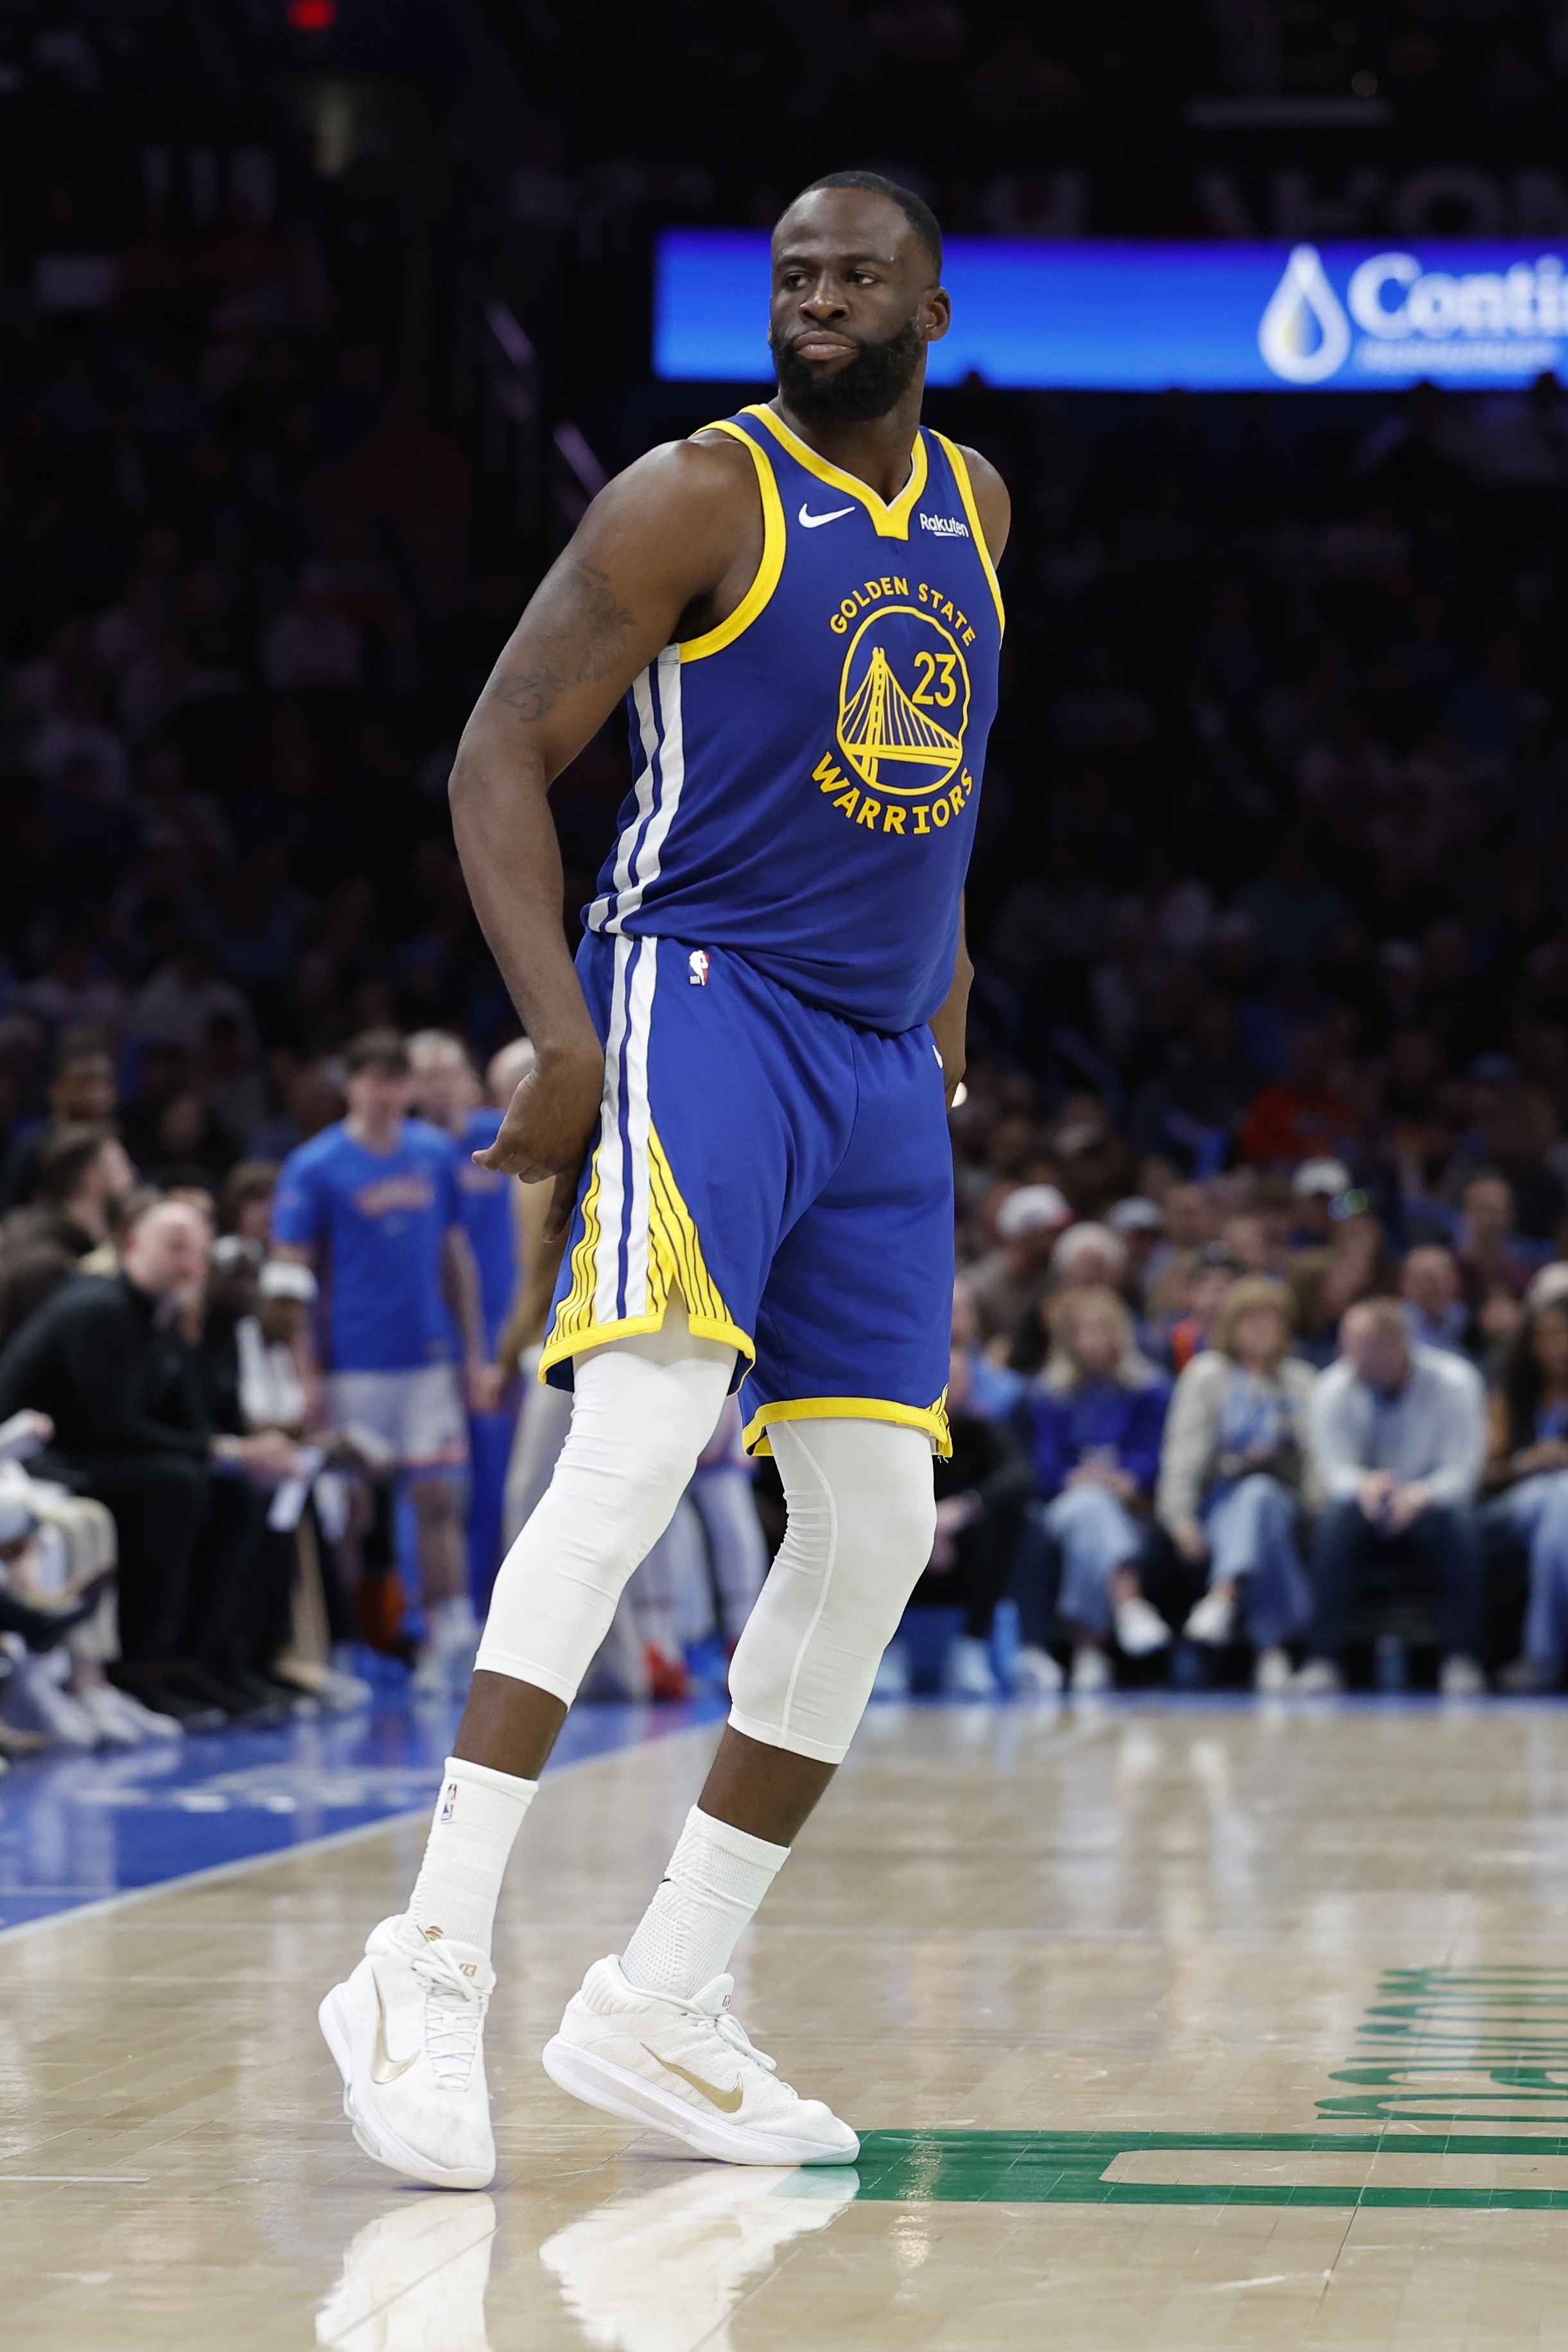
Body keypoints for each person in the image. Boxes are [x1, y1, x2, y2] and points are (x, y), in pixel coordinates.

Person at [318, 170, 1007, 2187]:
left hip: (880, 1063)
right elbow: (493, 753)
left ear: (932, 309)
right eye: (794, 273)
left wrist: (947, 1019)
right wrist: (557, 1036)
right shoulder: (693, 494)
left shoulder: (975, 508)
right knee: (634, 1448)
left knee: (876, 1525)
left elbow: (940, 782)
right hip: (704, 998)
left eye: (858, 273)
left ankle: (663, 1995)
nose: (819, 296)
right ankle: (423, 1957)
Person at [0, 1199, 301, 1726]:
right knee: (176, 1486)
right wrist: (224, 1452)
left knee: (240, 1489)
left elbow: (190, 1420)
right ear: (134, 1246)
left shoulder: (166, 1315)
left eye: (198, 1254)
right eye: (176, 1249)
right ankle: (139, 1663)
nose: (189, 1265)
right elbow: (116, 1427)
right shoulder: (99, 1308)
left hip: (105, 1458)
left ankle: (202, 1658)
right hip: (42, 1461)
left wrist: (245, 1453)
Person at [271, 1028, 497, 1693]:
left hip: (427, 1356)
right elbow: (291, 1276)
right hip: (352, 1364)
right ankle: (346, 1638)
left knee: (438, 1496)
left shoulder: (433, 1154)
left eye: (394, 1080)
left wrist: (474, 1353)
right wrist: (305, 1371)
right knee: (351, 1509)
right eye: (371, 1080)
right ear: (352, 1086)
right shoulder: (315, 1165)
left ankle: (449, 1634)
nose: (383, 1093)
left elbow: (456, 1257)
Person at [1296, 1298, 1488, 1695]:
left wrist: (1418, 1495)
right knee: (1335, 1521)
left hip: (1432, 1504)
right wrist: (1364, 1486)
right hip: (1364, 1504)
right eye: (1347, 1346)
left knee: (1461, 1522)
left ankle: (1462, 1657)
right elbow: (1332, 1470)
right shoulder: (1333, 1385)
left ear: (1396, 1346)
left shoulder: (1455, 1381)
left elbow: (1463, 1471)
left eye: (1361, 1348)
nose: (1347, 1357)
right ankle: (1324, 1660)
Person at [407, 1030, 530, 1607]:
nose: (439, 1087)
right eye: (425, 1076)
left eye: (448, 1073)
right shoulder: (407, 1154)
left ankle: (501, 1604)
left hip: (511, 1330)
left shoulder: (509, 1133)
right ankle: (434, 1615)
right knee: (435, 1486)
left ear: (470, 1081)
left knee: (509, 1476)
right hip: (432, 1339)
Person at [1156, 1275, 1317, 1692]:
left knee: (1262, 1498)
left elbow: (1316, 1460)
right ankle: (1272, 1650)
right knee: (1255, 1507)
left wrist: (1319, 1513)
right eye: (1252, 1321)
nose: (1262, 1330)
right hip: (1219, 1503)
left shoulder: (1300, 1380)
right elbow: (1182, 1456)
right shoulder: (1207, 1375)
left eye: (1271, 1321)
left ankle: (1223, 1597)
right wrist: (1180, 1521)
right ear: (1231, 1325)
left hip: (1287, 1502)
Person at [1018, 1285, 1171, 1693]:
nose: (1092, 1340)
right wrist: (1072, 1479)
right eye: (1082, 1331)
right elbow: (1042, 1462)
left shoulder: (1150, 1390)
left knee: (1095, 1515)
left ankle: (1089, 1651)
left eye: (1101, 1329)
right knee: (1089, 1505)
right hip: (1064, 1506)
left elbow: (1154, 1454)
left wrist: (1128, 1479)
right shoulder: (1046, 1394)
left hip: (1129, 1506)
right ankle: (1127, 1602)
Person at [1485, 1296, 1568, 1692]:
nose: (1558, 1345)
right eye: (1548, 1335)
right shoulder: (1512, 1392)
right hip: (1513, 1507)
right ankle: (1544, 1655)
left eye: (1565, 1334)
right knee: (1560, 1496)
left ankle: (1543, 1657)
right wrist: (1528, 1463)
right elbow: (1486, 1473)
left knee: (1561, 1502)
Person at [1400, 1244, 1470, 1356]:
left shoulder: (1469, 1320)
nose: (1430, 1288)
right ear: (1405, 1284)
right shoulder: (1396, 1324)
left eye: (1436, 1279)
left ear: (1454, 1281)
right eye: (1422, 1280)